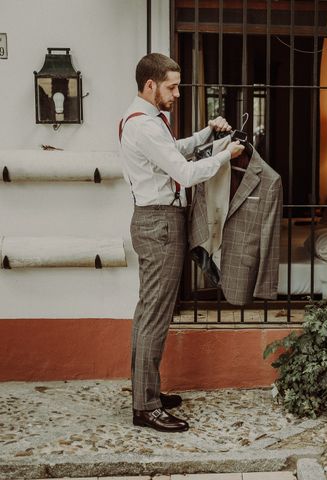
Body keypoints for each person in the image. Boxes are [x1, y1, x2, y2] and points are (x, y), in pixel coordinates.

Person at [119, 53, 244, 433]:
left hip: (155, 221)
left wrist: (207, 135)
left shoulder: (147, 121)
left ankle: (147, 391)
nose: (177, 92)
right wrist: (224, 156)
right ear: (150, 85)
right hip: (160, 224)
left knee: (148, 313)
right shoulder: (146, 127)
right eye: (171, 86)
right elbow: (185, 173)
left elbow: (175, 151)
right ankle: (146, 407)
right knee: (154, 315)